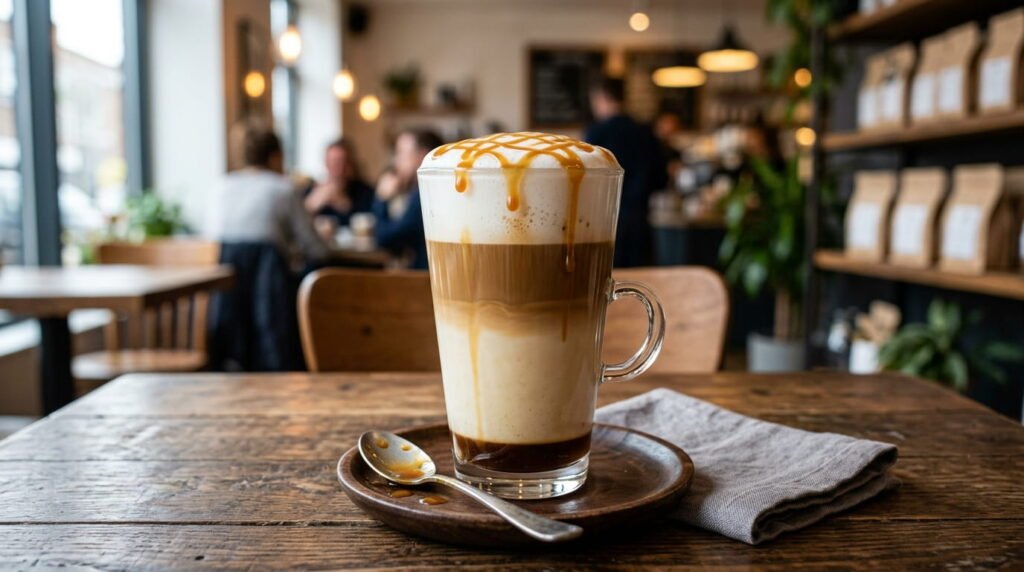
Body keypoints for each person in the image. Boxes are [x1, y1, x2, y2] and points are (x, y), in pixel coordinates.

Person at [204, 121, 330, 269]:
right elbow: (317, 251)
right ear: (275, 157)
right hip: (274, 288)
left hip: (224, 289)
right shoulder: (285, 189)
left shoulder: (220, 187)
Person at [585, 76, 667, 267]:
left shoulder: (597, 133)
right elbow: (661, 179)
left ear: (601, 98)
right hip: (641, 223)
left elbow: (585, 182)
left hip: (604, 225)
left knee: (606, 284)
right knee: (641, 283)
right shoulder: (645, 132)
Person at [372, 128, 443, 269]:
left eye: (401, 153)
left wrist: (381, 199)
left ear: (422, 155)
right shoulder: (430, 188)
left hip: (423, 280)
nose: (396, 161)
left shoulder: (425, 193)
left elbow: (384, 238)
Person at [304, 137, 374, 227]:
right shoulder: (312, 192)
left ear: (350, 164)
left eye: (343, 162)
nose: (339, 169)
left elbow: (370, 222)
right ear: (326, 163)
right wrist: (311, 206)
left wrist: (342, 204)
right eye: (334, 162)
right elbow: (297, 226)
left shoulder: (364, 191)